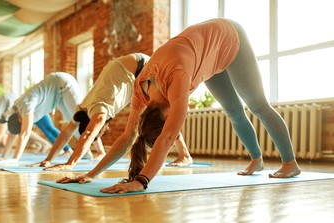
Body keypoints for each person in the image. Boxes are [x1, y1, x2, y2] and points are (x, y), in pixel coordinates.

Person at [56, 18, 301, 194]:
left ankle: (290, 163)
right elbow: (128, 137)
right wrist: (90, 175)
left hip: (227, 37)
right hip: (205, 54)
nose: (173, 138)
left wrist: (141, 181)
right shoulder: (142, 91)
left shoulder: (177, 81)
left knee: (257, 105)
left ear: (164, 115)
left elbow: (168, 135)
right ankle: (257, 160)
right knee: (234, 111)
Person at [29, 53, 193, 171]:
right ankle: (184, 154)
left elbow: (87, 135)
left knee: (159, 112)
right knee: (152, 113)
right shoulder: (83, 108)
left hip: (140, 67)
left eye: (100, 133)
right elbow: (65, 134)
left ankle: (185, 155)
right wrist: (48, 160)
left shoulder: (99, 111)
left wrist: (70, 163)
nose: (105, 131)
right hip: (128, 66)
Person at [0, 72, 102, 161]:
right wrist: (3, 156)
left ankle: (100, 152)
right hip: (57, 97)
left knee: (81, 117)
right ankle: (86, 152)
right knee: (72, 122)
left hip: (63, 83)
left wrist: (16, 158)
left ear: (20, 120)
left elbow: (25, 132)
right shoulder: (14, 113)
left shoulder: (25, 105)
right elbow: (13, 133)